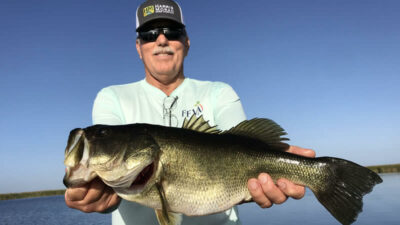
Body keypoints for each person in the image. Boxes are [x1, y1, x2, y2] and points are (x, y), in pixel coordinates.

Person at [65, 0, 316, 224]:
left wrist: (290, 172)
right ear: (138, 47)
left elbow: (247, 147)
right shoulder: (112, 97)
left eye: (172, 32)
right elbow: (108, 180)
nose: (161, 40)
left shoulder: (220, 93)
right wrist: (98, 193)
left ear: (186, 43)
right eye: (150, 34)